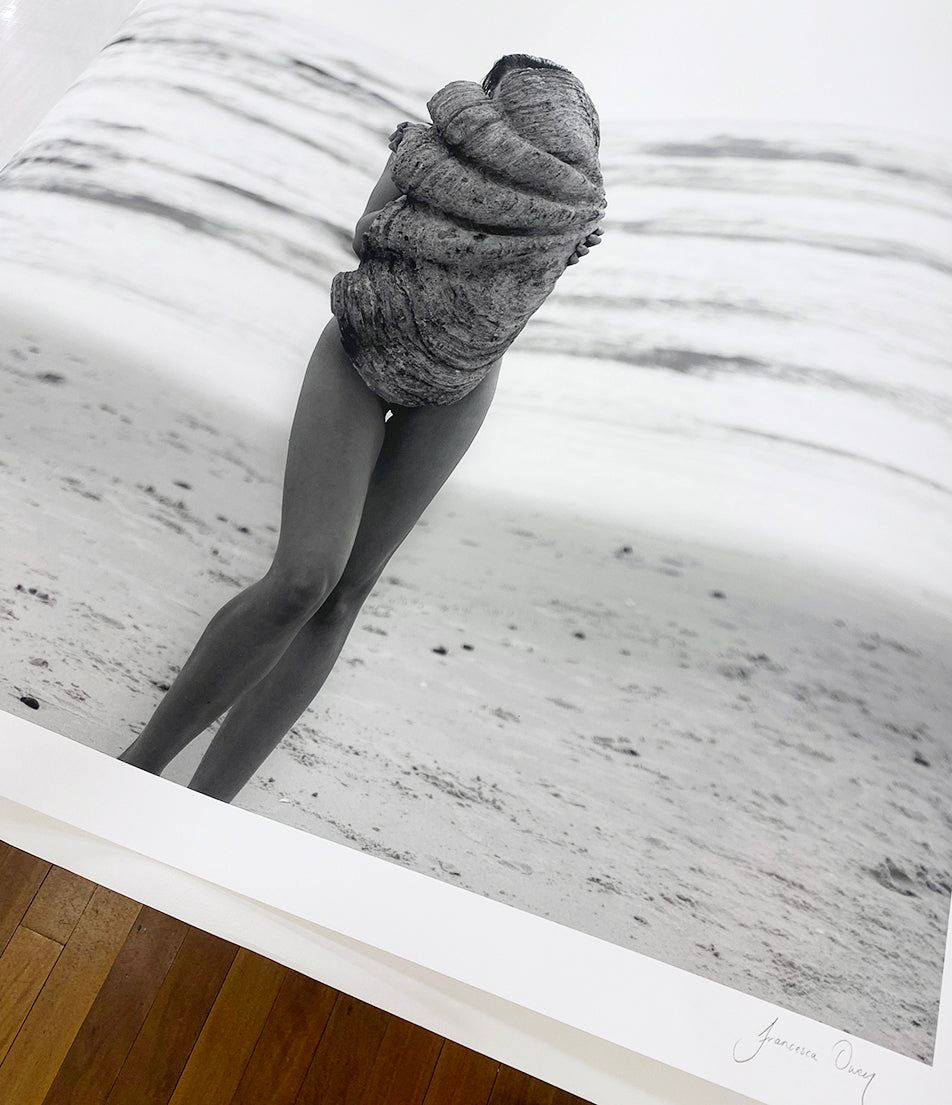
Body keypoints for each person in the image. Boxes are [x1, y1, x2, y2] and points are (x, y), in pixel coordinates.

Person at [119, 53, 606, 802]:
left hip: (462, 382)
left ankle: (207, 804)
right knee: (303, 578)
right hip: (362, 342)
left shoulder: (566, 219)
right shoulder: (426, 154)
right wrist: (469, 215)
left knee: (346, 594)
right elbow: (367, 232)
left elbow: (511, 302)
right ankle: (138, 767)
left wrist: (540, 231)